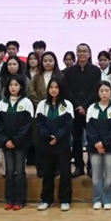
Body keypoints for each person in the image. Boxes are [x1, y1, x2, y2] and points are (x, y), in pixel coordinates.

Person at [35, 77, 75, 211]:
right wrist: (48, 137)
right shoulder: (42, 105)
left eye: (56, 87)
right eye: (51, 87)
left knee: (65, 173)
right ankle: (46, 199)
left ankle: (65, 200)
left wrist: (57, 136)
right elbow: (39, 124)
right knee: (47, 173)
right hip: (46, 144)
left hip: (62, 144)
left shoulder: (67, 105)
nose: (53, 90)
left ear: (60, 89)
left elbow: (68, 125)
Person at [64, 43, 102, 177]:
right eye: (79, 51)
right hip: (74, 111)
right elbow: (67, 91)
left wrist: (85, 106)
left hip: (90, 110)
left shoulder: (96, 70)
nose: (82, 53)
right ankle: (79, 166)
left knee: (92, 139)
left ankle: (91, 167)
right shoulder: (68, 71)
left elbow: (96, 90)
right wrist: (77, 106)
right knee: (76, 140)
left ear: (89, 54)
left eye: (84, 51)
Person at [0, 75, 34, 210]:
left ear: (21, 87)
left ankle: (20, 200)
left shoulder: (27, 103)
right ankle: (9, 199)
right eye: (11, 85)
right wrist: (5, 140)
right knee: (9, 171)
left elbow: (27, 125)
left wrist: (16, 140)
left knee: (20, 171)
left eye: (16, 85)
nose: (13, 88)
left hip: (20, 144)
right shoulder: (2, 104)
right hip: (6, 143)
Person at [85, 81, 111, 210]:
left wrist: (104, 143)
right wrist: (97, 143)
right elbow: (89, 129)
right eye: (102, 91)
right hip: (94, 148)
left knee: (109, 176)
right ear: (98, 93)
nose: (104, 93)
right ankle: (97, 199)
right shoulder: (92, 109)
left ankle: (108, 199)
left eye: (107, 91)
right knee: (96, 176)